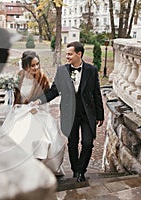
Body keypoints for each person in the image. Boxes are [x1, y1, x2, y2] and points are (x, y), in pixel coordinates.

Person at [38, 41, 104, 182]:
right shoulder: (62, 71)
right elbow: (55, 90)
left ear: (79, 54)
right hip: (70, 113)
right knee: (72, 143)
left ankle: (82, 170)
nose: (67, 57)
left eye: (70, 54)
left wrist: (100, 115)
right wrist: (39, 100)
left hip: (88, 113)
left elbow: (96, 93)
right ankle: (76, 170)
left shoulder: (91, 70)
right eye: (66, 54)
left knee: (87, 143)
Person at [2, 51, 67, 175]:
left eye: (37, 64)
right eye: (33, 65)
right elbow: (16, 97)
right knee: (15, 137)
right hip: (21, 111)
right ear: (26, 66)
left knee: (39, 140)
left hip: (38, 112)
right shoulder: (18, 77)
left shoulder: (42, 78)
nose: (36, 67)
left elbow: (48, 96)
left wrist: (37, 104)